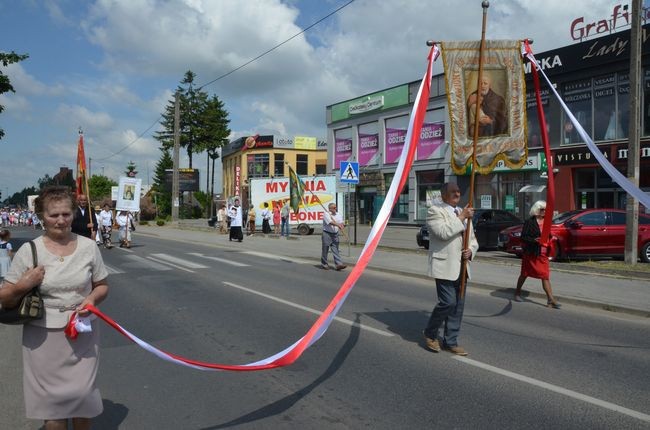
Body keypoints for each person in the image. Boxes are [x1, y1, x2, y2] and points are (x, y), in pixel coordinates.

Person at [0, 186, 109, 430]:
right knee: (54, 408)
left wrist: (91, 300)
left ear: (73, 214)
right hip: (42, 336)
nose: (61, 220)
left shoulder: (89, 247)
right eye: (54, 215)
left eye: (66, 214)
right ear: (42, 217)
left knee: (83, 398)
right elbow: (5, 298)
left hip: (82, 333)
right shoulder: (30, 251)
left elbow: (102, 285)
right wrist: (23, 285)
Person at [423, 182, 478, 356]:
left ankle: (450, 341)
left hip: (462, 265)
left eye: (458, 191)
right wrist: (461, 216)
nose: (457, 193)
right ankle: (430, 333)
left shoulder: (463, 211)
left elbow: (473, 239)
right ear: (444, 194)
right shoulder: (435, 211)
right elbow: (443, 233)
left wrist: (471, 251)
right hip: (445, 265)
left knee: (458, 307)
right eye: (453, 191)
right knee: (448, 302)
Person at [514, 201, 561, 309]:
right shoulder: (529, 222)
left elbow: (548, 235)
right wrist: (534, 240)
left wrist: (551, 238)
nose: (545, 211)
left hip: (543, 254)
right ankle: (517, 293)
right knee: (524, 274)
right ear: (537, 210)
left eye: (545, 209)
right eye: (542, 209)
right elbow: (523, 237)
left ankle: (550, 299)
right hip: (531, 253)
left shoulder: (547, 222)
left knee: (545, 276)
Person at [321, 202, 347, 270]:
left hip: (335, 234)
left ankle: (338, 264)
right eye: (334, 208)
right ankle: (324, 263)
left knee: (335, 249)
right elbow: (330, 222)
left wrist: (342, 225)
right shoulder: (326, 214)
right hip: (327, 233)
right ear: (330, 209)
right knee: (325, 249)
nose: (336, 209)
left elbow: (341, 222)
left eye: (336, 207)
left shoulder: (338, 214)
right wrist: (337, 225)